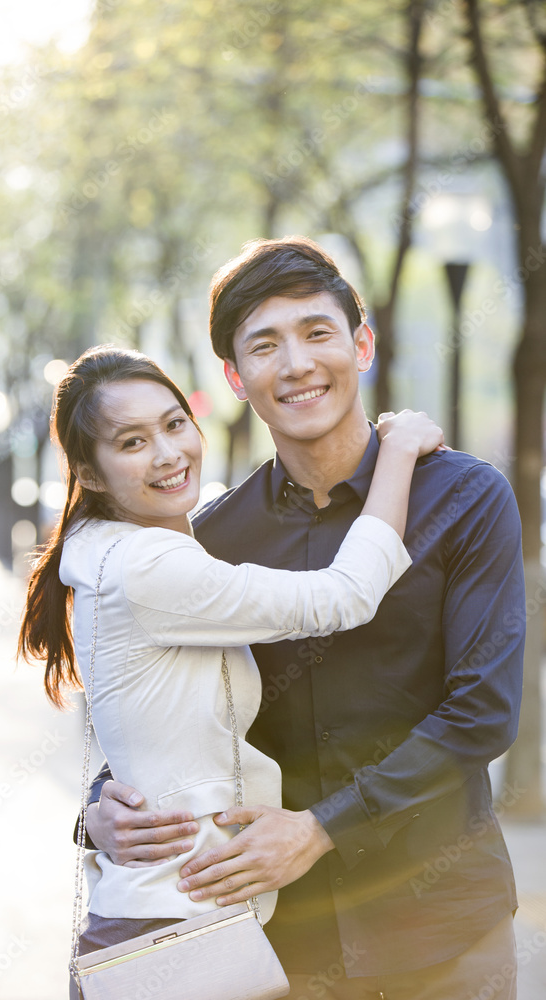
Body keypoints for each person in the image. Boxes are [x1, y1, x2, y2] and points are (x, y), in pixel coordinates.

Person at [87, 237, 526, 1000]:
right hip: (277, 945)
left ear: (360, 345)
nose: (294, 364)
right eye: (264, 345)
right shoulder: (212, 540)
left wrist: (320, 826)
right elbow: (164, 709)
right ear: (233, 377)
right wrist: (98, 808)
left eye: (317, 333)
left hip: (444, 934)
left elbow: (482, 712)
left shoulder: (463, 498)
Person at [18, 343, 443, 995]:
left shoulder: (109, 551)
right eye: (131, 442)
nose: (167, 453)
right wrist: (399, 449)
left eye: (173, 423)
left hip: (158, 917)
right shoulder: (152, 566)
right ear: (92, 473)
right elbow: (344, 596)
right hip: (176, 930)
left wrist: (94, 811)